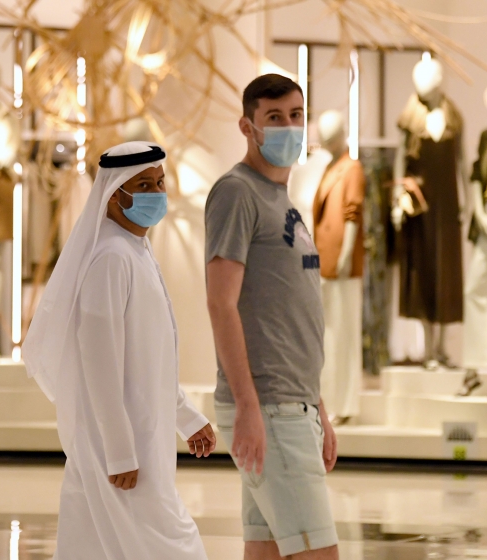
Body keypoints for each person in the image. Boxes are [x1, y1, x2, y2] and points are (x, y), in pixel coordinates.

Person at [23, 142, 217, 559]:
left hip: (142, 434)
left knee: (95, 544)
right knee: (173, 546)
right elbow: (100, 366)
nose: (155, 193)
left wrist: (188, 417)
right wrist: (119, 452)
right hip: (121, 446)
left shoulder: (135, 250)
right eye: (143, 185)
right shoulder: (110, 259)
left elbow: (151, 362)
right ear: (114, 195)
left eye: (160, 182)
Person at [205, 74, 339, 559]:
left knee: (266, 552)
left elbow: (285, 312)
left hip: (290, 403)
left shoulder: (283, 202)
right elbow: (221, 303)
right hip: (270, 409)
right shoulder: (237, 193)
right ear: (248, 126)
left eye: (296, 116)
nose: (289, 127)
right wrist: (247, 406)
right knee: (317, 553)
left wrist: (316, 404)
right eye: (274, 118)